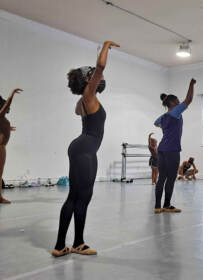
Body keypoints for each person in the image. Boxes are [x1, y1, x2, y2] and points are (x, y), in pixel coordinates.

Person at [52, 41, 120, 257]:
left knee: (79, 196)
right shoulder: (88, 96)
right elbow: (100, 67)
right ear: (88, 80)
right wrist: (106, 46)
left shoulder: (84, 100)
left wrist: (88, 87)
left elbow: (77, 111)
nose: (97, 77)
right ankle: (68, 244)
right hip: (85, 149)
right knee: (79, 197)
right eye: (92, 76)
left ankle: (69, 244)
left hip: (82, 147)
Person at [154, 78, 196, 214]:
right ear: (172, 103)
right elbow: (188, 100)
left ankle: (157, 207)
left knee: (162, 178)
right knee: (171, 179)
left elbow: (156, 123)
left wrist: (165, 129)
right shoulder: (176, 111)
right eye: (177, 101)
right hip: (172, 150)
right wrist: (191, 85)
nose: (179, 102)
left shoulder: (164, 116)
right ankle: (166, 205)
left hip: (161, 149)